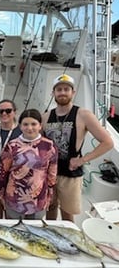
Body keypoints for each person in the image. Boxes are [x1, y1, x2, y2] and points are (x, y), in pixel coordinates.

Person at [42, 74, 114, 222]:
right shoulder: (45, 117)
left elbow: (107, 142)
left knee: (68, 213)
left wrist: (82, 160)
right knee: (50, 208)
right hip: (49, 173)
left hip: (71, 174)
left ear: (73, 92)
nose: (62, 92)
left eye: (66, 89)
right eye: (59, 89)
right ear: (53, 93)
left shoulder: (83, 115)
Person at [0, 108, 57, 220]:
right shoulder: (12, 145)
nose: (30, 128)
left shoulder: (49, 146)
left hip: (38, 199)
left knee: (34, 232)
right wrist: (1, 194)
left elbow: (52, 174)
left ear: (40, 125)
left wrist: (50, 195)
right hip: (14, 198)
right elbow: (3, 172)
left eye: (34, 124)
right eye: (25, 124)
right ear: (20, 126)